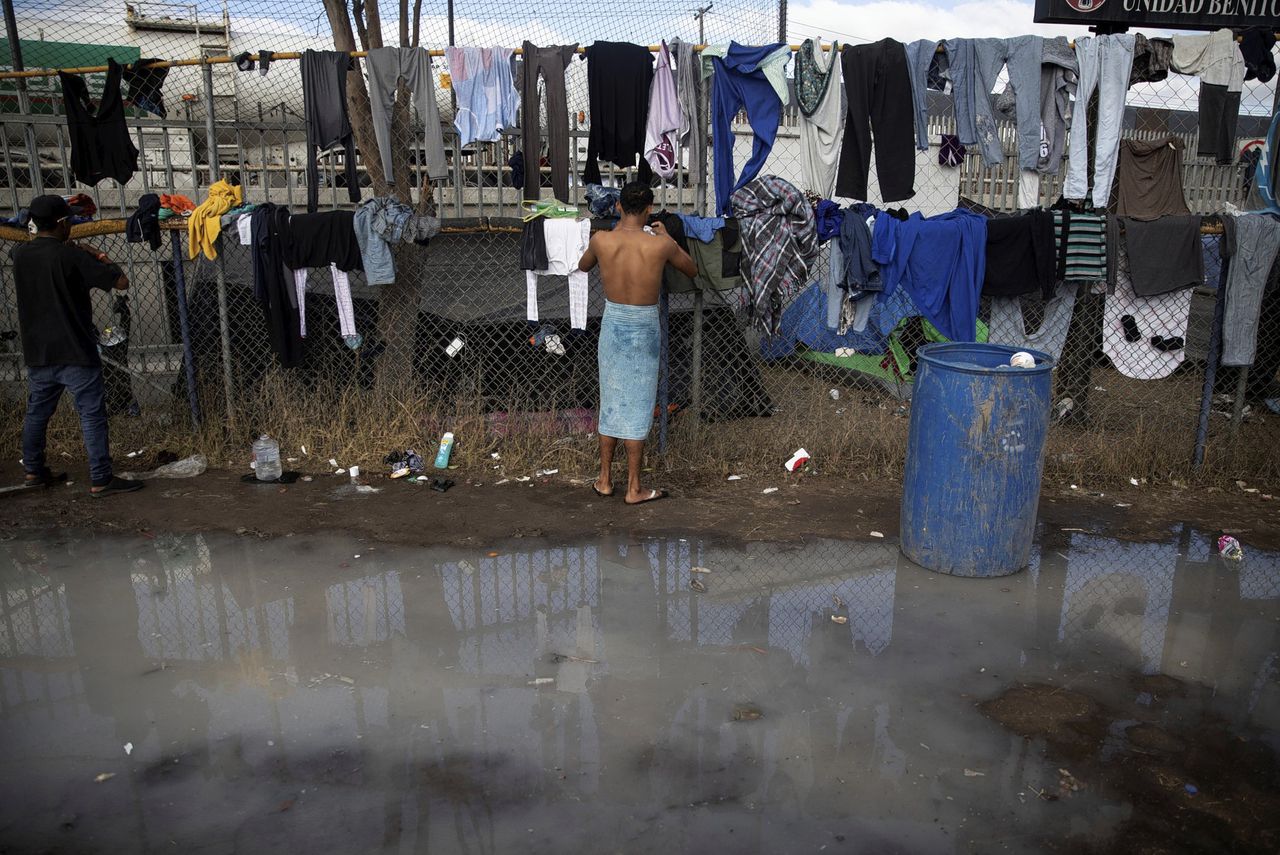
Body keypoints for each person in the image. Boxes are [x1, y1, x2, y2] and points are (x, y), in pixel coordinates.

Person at [12, 195, 143, 497]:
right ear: (61, 224)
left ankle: (32, 470)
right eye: (68, 220)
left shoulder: (21, 255)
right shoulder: (70, 256)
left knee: (37, 413)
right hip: (75, 349)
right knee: (91, 414)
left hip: (38, 351)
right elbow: (121, 282)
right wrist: (96, 254)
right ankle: (100, 477)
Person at [577, 182, 697, 505]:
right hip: (644, 325)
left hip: (613, 323)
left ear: (617, 207)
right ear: (648, 209)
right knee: (639, 403)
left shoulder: (602, 240)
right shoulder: (659, 245)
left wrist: (612, 234)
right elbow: (691, 269)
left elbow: (583, 265)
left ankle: (604, 480)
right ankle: (633, 488)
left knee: (611, 400)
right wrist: (669, 238)